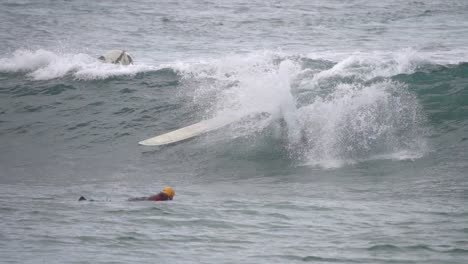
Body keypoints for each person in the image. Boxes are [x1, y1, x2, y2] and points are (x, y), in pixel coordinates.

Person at [78, 186, 175, 202]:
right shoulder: (163, 199)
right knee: (110, 202)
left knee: (111, 202)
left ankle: (87, 200)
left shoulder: (160, 195)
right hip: (139, 201)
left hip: (139, 199)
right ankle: (86, 201)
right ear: (170, 195)